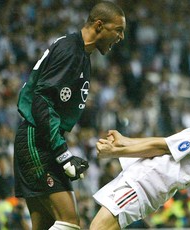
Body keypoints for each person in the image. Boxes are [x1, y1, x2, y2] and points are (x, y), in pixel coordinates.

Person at [13, 1, 126, 230]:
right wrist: (62, 153)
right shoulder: (70, 51)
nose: (121, 37)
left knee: (46, 224)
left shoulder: (81, 53)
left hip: (40, 138)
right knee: (69, 222)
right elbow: (42, 100)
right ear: (99, 25)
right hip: (37, 140)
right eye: (118, 30)